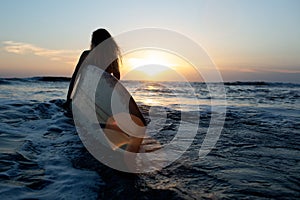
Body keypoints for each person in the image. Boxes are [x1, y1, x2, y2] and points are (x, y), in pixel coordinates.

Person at [65, 28, 121, 106]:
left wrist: (68, 98)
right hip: (101, 96)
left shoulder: (86, 55)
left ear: (95, 42)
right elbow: (116, 79)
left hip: (85, 93)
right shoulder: (112, 58)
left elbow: (75, 76)